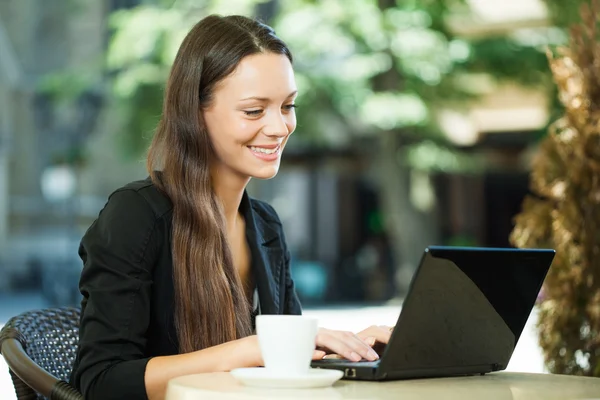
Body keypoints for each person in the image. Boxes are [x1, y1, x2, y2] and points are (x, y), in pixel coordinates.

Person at [70, 14, 392, 400]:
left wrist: (353, 348)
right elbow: (101, 382)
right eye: (254, 111)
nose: (279, 127)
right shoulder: (136, 216)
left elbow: (283, 366)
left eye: (288, 106)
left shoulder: (265, 226)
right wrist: (248, 350)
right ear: (195, 113)